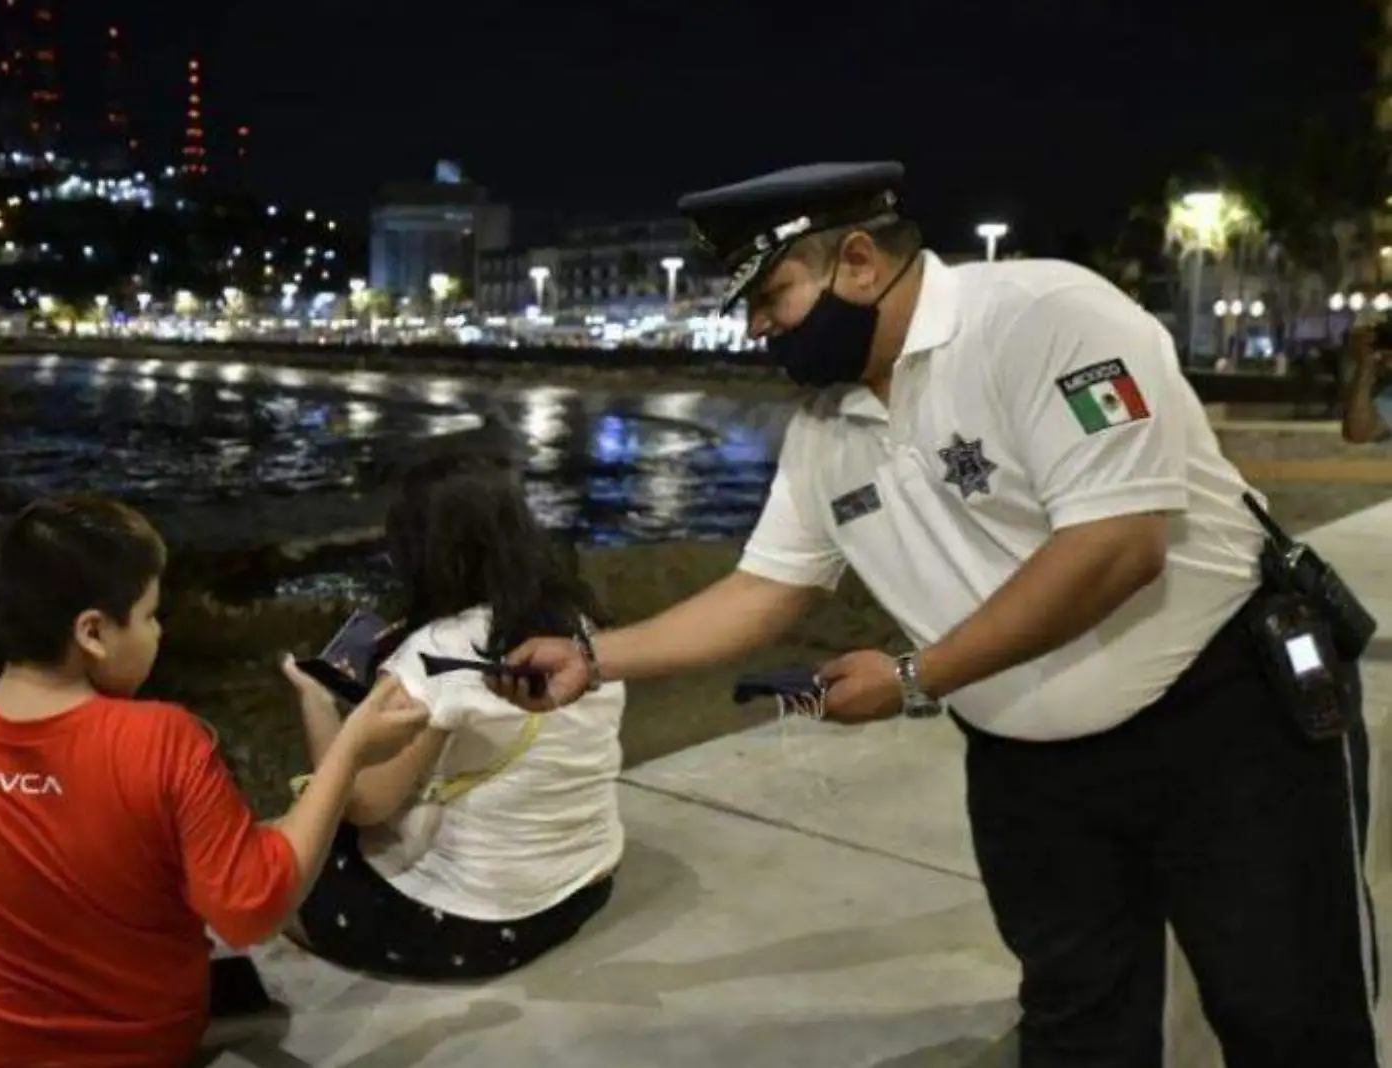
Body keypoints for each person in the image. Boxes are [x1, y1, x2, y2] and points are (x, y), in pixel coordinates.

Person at [493, 162, 1381, 1067]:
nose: (756, 326)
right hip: (1029, 770)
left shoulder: (1046, 318)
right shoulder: (825, 430)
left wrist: (917, 676)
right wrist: (595, 659)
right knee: (1077, 1019)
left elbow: (1117, 546)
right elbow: (766, 590)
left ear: (861, 261)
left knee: (1290, 1017)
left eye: (771, 294)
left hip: (1227, 730)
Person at [0, 495, 429, 1068]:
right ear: (94, 632)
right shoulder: (162, 740)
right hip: (142, 1044)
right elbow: (251, 908)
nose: (159, 633)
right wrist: (348, 749)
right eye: (151, 616)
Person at [282, 443, 624, 980]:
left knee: (270, 863)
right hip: (583, 886)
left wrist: (315, 700)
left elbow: (364, 804)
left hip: (475, 925)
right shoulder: (585, 629)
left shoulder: (436, 650)